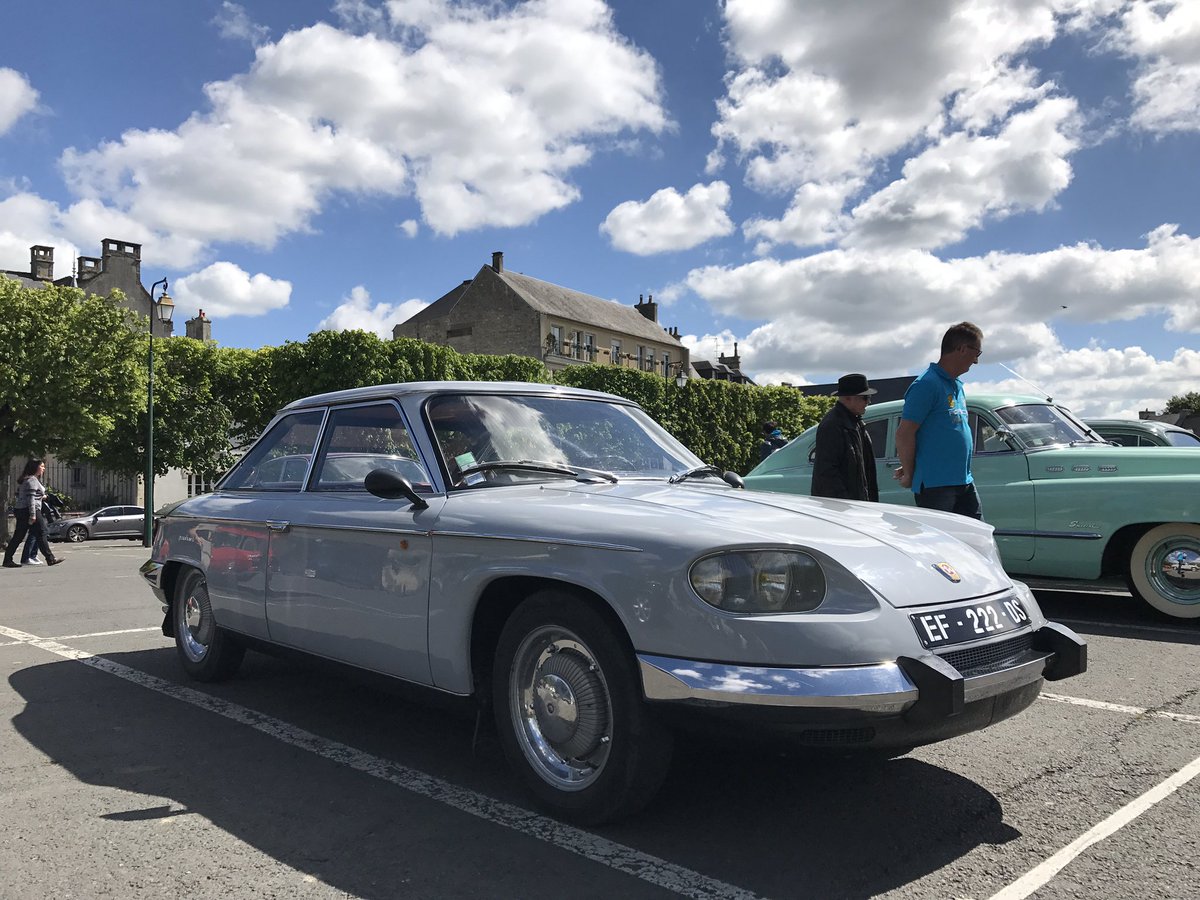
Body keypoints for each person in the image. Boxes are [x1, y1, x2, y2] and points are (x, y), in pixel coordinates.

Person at [894, 322, 984, 519]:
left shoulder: (956, 385)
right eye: (977, 353)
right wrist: (909, 471)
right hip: (937, 486)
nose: (976, 361)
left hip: (963, 480)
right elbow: (904, 433)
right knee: (941, 545)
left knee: (976, 540)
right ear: (961, 349)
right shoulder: (926, 385)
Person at [811, 373, 879, 501]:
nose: (869, 402)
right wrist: (845, 504)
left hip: (854, 506)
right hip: (842, 508)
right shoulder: (833, 425)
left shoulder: (855, 423)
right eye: (865, 397)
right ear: (848, 398)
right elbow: (827, 473)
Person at [3, 458, 64, 568]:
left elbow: (26, 495)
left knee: (19, 535)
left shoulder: (27, 479)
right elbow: (30, 498)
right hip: (30, 510)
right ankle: (50, 559)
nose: (43, 468)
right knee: (42, 532)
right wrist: (33, 514)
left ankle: (7, 559)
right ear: (35, 467)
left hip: (21, 510)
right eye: (42, 466)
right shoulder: (32, 480)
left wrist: (43, 497)